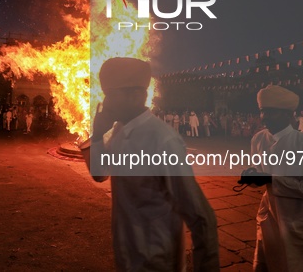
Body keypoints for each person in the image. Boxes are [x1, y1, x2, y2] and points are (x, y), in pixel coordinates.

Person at [82, 57, 219, 271]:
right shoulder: (118, 132)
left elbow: (201, 217)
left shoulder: (162, 140)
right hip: (126, 258)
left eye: (111, 95)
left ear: (136, 95)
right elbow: (99, 174)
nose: (106, 103)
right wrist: (98, 135)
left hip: (158, 263)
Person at [239, 85, 303, 271]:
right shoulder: (258, 139)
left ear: (289, 115)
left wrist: (273, 180)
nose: (265, 117)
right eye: (262, 111)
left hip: (302, 220)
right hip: (271, 215)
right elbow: (262, 174)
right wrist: (252, 176)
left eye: (271, 112)